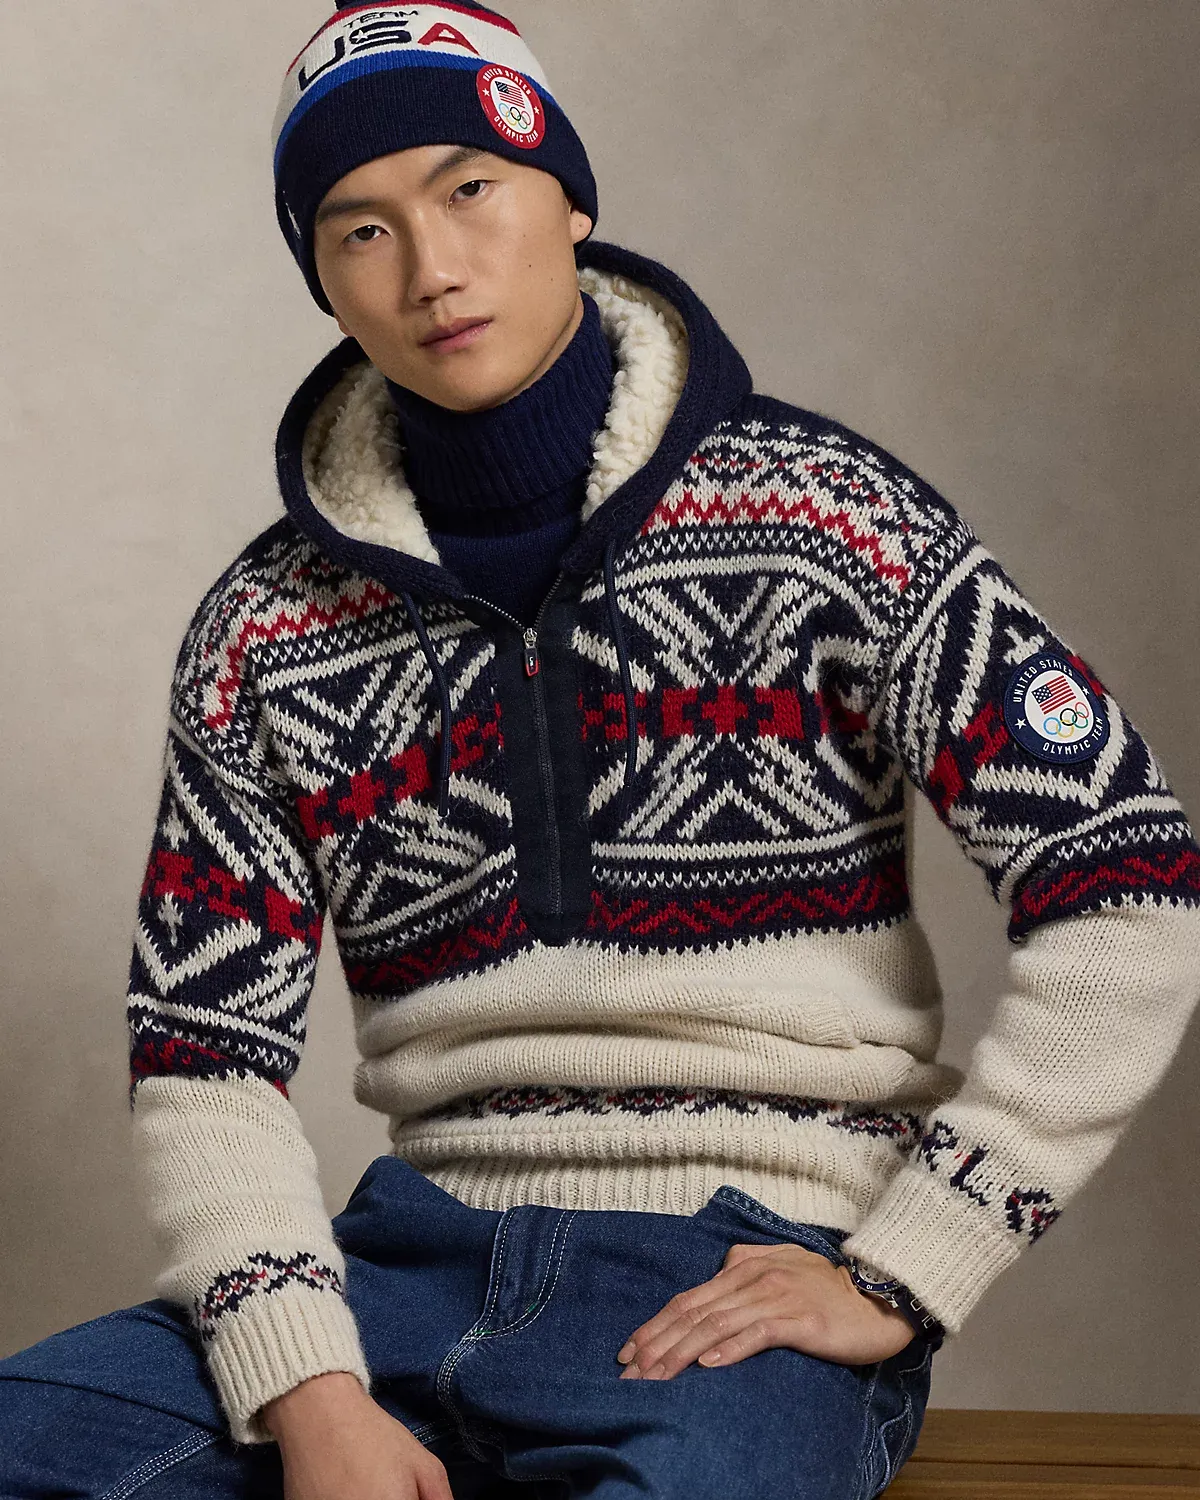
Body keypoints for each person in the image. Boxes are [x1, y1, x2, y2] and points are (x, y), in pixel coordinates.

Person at [3, 4, 1199, 1497]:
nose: (432, 268)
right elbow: (203, 1055)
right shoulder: (266, 627)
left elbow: (1129, 885)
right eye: (361, 230)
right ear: (321, 277)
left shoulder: (825, 519)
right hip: (397, 1271)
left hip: (736, 1273)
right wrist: (307, 1385)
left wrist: (909, 1267)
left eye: (470, 189)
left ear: (570, 197)